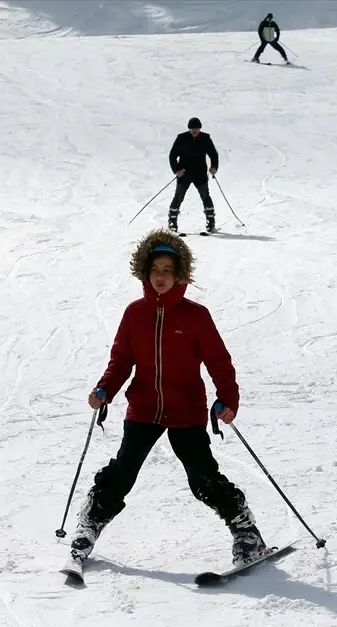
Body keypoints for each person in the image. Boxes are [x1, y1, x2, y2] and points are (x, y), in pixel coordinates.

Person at [69, 229, 269, 568]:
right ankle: (88, 528)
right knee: (122, 472)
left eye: (167, 270)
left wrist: (228, 399)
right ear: (145, 272)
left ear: (179, 275)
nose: (161, 276)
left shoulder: (196, 316)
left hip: (186, 410)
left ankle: (247, 533)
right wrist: (105, 389)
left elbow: (219, 362)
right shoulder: (134, 314)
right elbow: (121, 361)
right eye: (155, 269)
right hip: (143, 407)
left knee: (203, 478)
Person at [167, 118, 219, 234]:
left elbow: (213, 154)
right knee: (178, 197)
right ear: (189, 128)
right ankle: (172, 221)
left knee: (205, 196)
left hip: (200, 172)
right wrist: (177, 170)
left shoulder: (205, 138)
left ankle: (210, 222)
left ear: (200, 128)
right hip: (184, 173)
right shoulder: (181, 138)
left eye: (197, 128)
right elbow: (172, 155)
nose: (195, 130)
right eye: (192, 128)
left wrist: (214, 167)